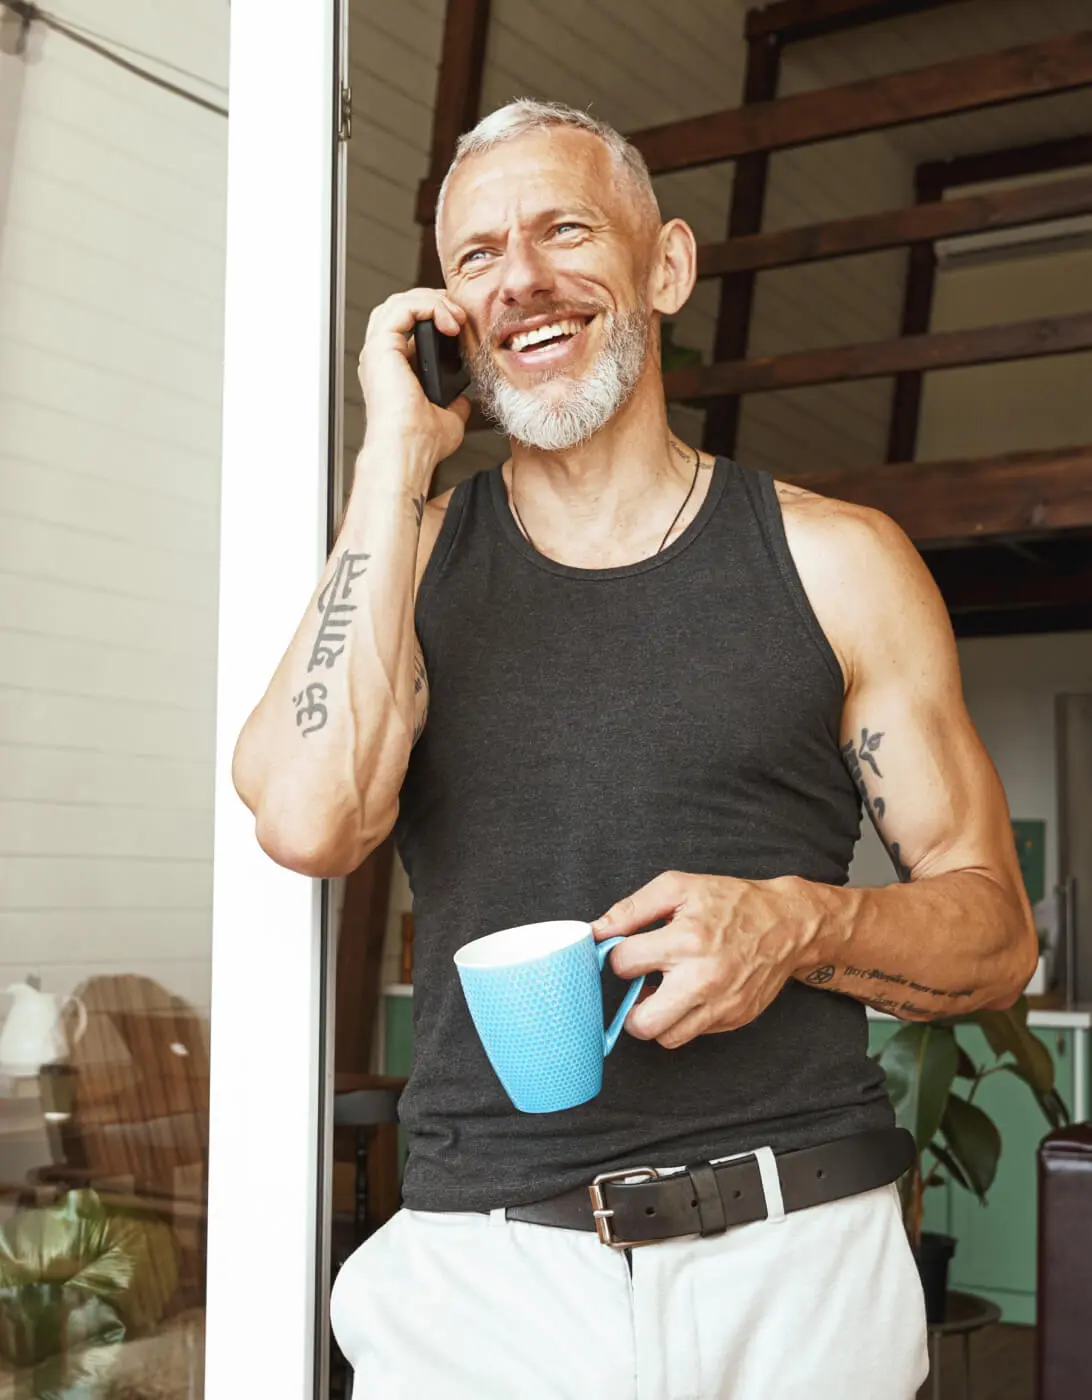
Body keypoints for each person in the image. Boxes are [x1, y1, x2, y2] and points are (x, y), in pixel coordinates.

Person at [233, 99, 1037, 1399]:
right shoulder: (411, 562)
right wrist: (394, 455)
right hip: (484, 1280)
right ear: (447, 310)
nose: (524, 282)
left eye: (563, 232)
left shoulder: (837, 561)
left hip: (799, 1258)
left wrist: (797, 925)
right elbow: (310, 822)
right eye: (479, 256)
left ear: (664, 265)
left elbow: (995, 932)